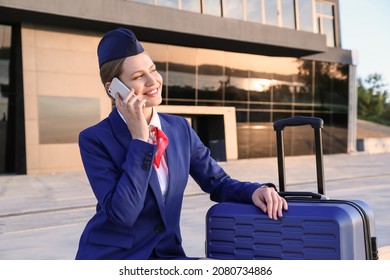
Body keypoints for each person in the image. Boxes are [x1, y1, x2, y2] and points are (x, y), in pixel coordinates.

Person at [75, 28, 288, 260]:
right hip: (114, 257)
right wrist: (140, 139)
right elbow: (123, 213)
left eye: (153, 70)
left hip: (168, 255)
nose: (152, 81)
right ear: (113, 89)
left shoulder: (179, 128)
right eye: (138, 77)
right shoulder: (94, 139)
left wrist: (254, 190)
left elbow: (217, 182)